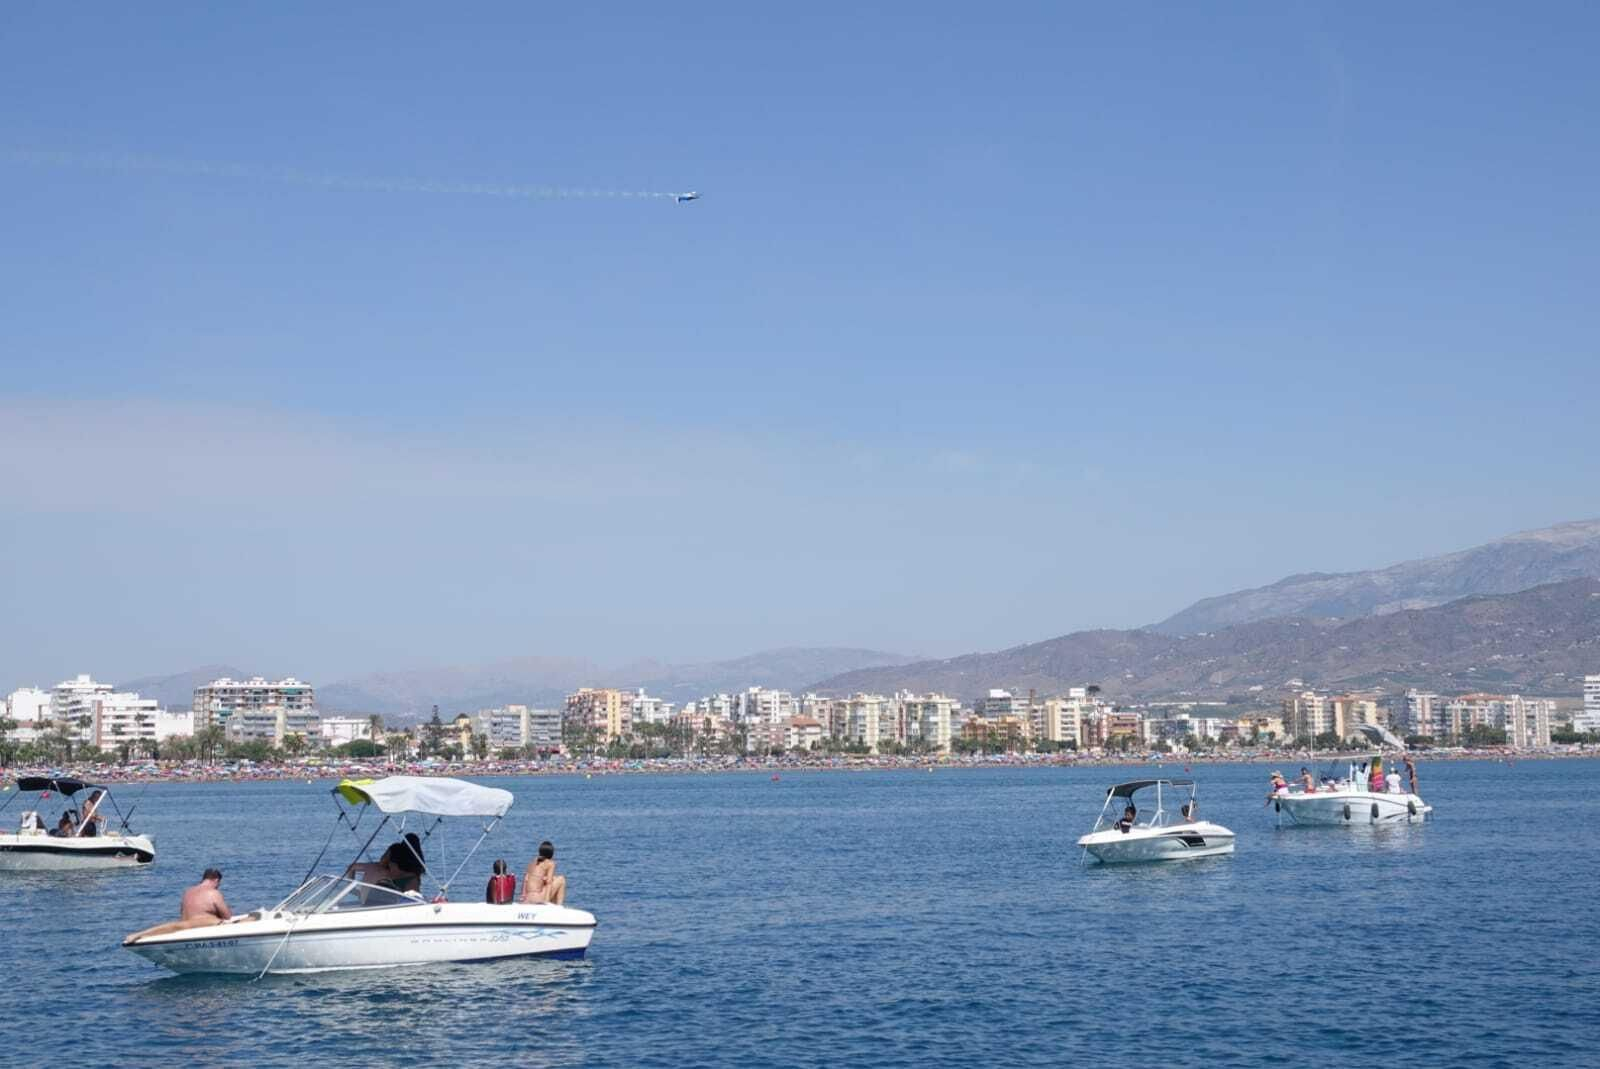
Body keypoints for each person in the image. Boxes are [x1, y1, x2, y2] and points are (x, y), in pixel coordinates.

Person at [125, 868, 232, 943]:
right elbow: (227, 916)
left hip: (184, 925)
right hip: (207, 924)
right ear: (216, 880)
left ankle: (139, 934)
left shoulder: (188, 892)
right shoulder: (213, 892)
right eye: (218, 884)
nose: (218, 887)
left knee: (169, 926)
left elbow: (182, 912)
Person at [520, 840, 567, 905]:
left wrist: (523, 897)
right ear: (551, 854)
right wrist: (546, 901)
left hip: (527, 898)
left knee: (555, 878)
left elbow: (526, 879)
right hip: (538, 899)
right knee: (561, 879)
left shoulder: (533, 862)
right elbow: (549, 882)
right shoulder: (550, 863)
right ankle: (558, 907)